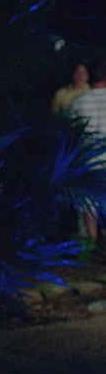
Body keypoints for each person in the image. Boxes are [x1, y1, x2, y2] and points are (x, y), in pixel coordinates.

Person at [70, 59, 106, 245]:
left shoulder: (79, 102)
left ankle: (91, 242)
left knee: (89, 202)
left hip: (88, 159)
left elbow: (72, 131)